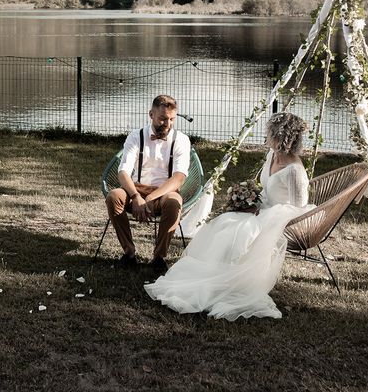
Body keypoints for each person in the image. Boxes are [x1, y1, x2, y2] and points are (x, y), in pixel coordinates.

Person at [145, 112, 313, 320]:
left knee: (238, 229)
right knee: (224, 222)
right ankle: (209, 276)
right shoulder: (272, 155)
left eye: (270, 132)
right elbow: (266, 188)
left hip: (278, 217)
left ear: (280, 136)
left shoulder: (294, 171)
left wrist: (265, 213)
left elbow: (299, 207)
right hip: (261, 208)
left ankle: (228, 282)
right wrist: (248, 200)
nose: (266, 135)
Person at [105, 95, 191, 272]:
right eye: (163, 119)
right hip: (136, 189)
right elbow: (123, 171)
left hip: (165, 191)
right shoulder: (136, 136)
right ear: (151, 114)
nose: (167, 123)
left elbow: (179, 177)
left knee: (174, 202)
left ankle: (159, 257)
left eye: (172, 119)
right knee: (114, 197)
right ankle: (129, 253)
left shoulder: (181, 140)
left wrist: (151, 197)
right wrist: (136, 196)